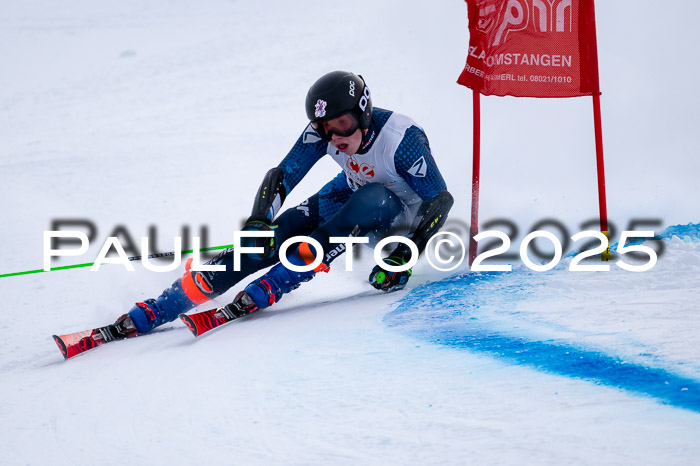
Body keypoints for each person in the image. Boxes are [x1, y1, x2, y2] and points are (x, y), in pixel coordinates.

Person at [107, 70, 454, 339]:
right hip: (350, 194)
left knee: (371, 198)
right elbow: (284, 174)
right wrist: (260, 220)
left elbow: (439, 200)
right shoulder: (326, 133)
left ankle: (276, 282)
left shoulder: (402, 139)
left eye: (344, 125)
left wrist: (404, 256)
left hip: (401, 225)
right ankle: (167, 304)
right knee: (279, 232)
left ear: (363, 113)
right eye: (325, 129)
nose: (335, 137)